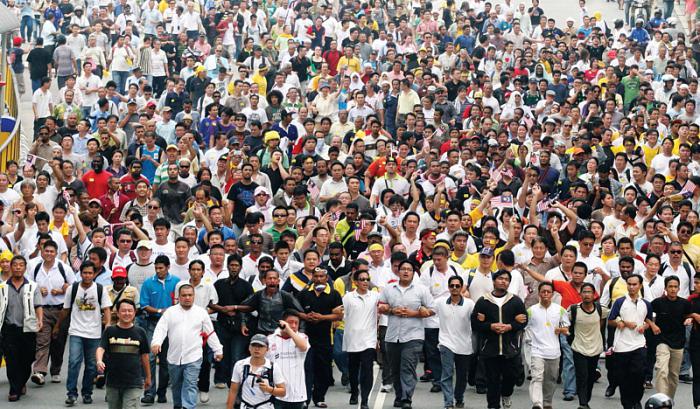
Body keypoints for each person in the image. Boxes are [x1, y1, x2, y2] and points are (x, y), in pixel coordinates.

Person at [151, 284, 224, 409]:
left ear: (194, 296)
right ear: (178, 297)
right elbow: (161, 329)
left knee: (190, 384)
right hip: (174, 357)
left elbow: (210, 333)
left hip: (193, 357)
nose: (187, 298)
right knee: (176, 386)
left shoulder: (201, 313)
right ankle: (179, 406)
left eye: (190, 295)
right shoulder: (170, 312)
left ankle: (188, 407)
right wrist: (156, 342)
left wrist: (218, 350)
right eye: (184, 295)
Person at [378, 260, 435, 409]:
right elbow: (381, 306)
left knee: (407, 367)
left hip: (413, 336)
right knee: (395, 369)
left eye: (409, 269)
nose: (405, 272)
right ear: (398, 272)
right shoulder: (389, 289)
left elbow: (432, 309)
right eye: (403, 269)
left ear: (413, 272)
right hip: (392, 336)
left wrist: (415, 313)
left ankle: (406, 399)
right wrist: (391, 310)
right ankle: (399, 396)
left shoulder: (421, 290)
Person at [55, 260, 112, 406]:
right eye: (85, 273)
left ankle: (87, 393)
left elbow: (106, 309)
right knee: (74, 362)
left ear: (94, 274)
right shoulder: (72, 289)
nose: (87, 276)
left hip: (94, 333)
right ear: (80, 273)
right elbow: (65, 310)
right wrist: (57, 326)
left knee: (92, 365)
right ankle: (71, 394)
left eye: (90, 273)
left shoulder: (100, 289)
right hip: (76, 331)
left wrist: (108, 325)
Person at [471, 269, 528, 409]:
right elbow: (475, 323)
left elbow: (524, 320)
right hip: (490, 349)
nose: (503, 281)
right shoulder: (484, 301)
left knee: (511, 378)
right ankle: (493, 406)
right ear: (494, 280)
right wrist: (490, 326)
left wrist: (510, 326)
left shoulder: (515, 301)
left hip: (510, 349)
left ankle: (507, 394)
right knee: (492, 382)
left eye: (506, 279)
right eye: (500, 278)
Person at [0, 256, 43, 401]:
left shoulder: (32, 286)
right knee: (11, 361)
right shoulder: (3, 287)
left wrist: (40, 320)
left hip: (28, 328)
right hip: (9, 329)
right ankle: (14, 390)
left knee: (27, 358)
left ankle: (22, 381)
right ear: (11, 267)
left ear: (25, 268)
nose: (18, 267)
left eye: (21, 265)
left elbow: (38, 306)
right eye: (15, 265)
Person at [138, 255, 180, 404]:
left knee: (166, 361)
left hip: (171, 325)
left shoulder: (176, 282)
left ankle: (161, 391)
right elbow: (144, 304)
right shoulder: (149, 283)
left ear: (168, 267)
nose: (158, 271)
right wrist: (159, 311)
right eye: (156, 268)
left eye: (161, 268)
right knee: (149, 357)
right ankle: (149, 392)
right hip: (152, 323)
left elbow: (180, 302)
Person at [608, 274, 654, 409]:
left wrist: (644, 326)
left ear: (640, 286)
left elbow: (649, 320)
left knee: (639, 375)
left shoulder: (645, 304)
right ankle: (627, 404)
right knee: (624, 378)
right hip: (621, 346)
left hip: (639, 344)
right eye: (629, 284)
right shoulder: (620, 302)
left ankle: (636, 400)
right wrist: (623, 322)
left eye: (634, 284)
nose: (631, 287)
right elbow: (611, 320)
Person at [96, 299, 151, 409]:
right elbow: (100, 348)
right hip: (113, 381)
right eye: (124, 311)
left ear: (135, 312)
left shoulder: (140, 332)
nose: (127, 313)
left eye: (130, 311)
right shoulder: (110, 331)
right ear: (117, 313)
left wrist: (148, 377)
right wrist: (99, 361)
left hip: (133, 382)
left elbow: (144, 356)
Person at [337, 267, 379, 409]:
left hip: (369, 339)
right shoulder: (348, 297)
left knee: (367, 369)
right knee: (353, 369)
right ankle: (354, 392)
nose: (365, 282)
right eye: (362, 280)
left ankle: (365, 400)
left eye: (367, 279)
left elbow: (384, 308)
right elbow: (342, 315)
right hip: (352, 339)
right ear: (355, 282)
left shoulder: (374, 296)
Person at [526, 281, 569, 409]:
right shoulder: (531, 311)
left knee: (550, 379)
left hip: (554, 351)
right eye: (543, 291)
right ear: (539, 293)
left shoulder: (560, 310)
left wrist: (561, 330)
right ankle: (537, 403)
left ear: (552, 294)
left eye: (548, 292)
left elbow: (566, 328)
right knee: (537, 377)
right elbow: (524, 327)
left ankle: (547, 402)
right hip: (536, 350)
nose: (545, 294)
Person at [437, 275, 474, 409]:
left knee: (462, 376)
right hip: (446, 343)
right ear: (448, 287)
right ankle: (448, 403)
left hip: (464, 345)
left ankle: (459, 398)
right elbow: (429, 310)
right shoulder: (440, 302)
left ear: (461, 287)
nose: (454, 288)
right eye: (452, 286)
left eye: (457, 286)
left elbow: (477, 320)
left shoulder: (470, 304)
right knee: (446, 374)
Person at [651, 276, 692, 399]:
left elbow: (689, 316)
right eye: (670, 286)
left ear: (679, 288)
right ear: (665, 288)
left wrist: (689, 319)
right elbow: (646, 314)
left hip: (678, 343)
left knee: (674, 376)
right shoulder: (658, 303)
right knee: (662, 371)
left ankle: (669, 400)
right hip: (662, 341)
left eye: (675, 287)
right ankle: (661, 400)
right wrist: (652, 324)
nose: (673, 289)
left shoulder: (684, 303)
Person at [226, 334, 287, 409]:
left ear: (267, 349)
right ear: (249, 347)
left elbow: (283, 392)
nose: (257, 349)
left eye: (261, 346)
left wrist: (269, 389)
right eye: (254, 345)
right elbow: (233, 390)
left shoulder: (273, 367)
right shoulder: (240, 365)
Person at [266, 310, 310, 409]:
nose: (294, 326)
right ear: (282, 322)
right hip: (276, 393)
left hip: (297, 394)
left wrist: (289, 330)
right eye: (290, 322)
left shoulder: (302, 337)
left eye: (296, 323)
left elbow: (303, 347)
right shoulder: (270, 339)